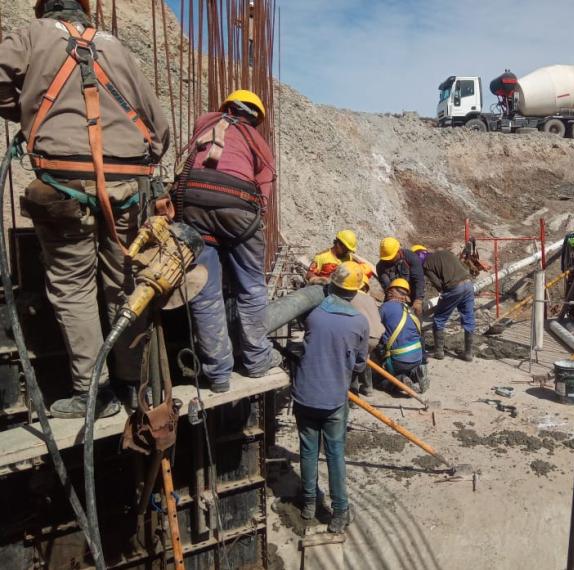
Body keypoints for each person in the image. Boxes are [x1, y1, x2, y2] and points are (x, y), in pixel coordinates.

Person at [0, 0, 169, 418]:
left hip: (63, 182)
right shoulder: (117, 47)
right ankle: (133, 384)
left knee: (73, 288)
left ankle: (93, 392)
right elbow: (160, 128)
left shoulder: (31, 35)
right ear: (85, 12)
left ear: (45, 10)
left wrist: (29, 112)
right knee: (126, 284)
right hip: (128, 188)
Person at [177, 89, 279, 393]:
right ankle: (257, 359)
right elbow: (265, 185)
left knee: (205, 291)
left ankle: (218, 374)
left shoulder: (204, 123)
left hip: (191, 204)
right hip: (237, 206)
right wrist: (249, 222)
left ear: (227, 108)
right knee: (251, 286)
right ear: (255, 118)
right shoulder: (256, 140)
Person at [292, 261, 368, 533]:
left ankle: (309, 504)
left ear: (332, 284)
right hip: (333, 399)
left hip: (303, 394)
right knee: (335, 454)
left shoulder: (313, 313)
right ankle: (339, 512)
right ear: (356, 292)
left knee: (308, 450)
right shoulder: (359, 322)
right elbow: (360, 365)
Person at [412, 245, 475, 362]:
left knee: (439, 318)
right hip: (468, 284)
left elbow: (438, 284)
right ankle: (468, 353)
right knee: (468, 317)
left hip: (454, 288)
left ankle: (439, 352)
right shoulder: (445, 252)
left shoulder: (426, 265)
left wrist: (444, 294)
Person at [378, 278, 427, 392]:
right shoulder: (409, 310)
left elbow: (375, 329)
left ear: (390, 292)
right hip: (418, 356)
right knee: (407, 365)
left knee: (381, 382)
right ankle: (416, 372)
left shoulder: (385, 307)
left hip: (399, 359)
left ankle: (401, 379)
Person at [349, 269, 383, 396]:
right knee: (365, 358)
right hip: (376, 335)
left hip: (362, 335)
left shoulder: (350, 298)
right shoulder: (370, 299)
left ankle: (353, 393)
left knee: (352, 361)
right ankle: (368, 388)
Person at [376, 237, 425, 316]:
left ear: (398, 251)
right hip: (394, 295)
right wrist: (398, 297)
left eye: (391, 257)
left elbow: (419, 280)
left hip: (412, 292)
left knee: (415, 315)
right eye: (387, 259)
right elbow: (387, 287)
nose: (389, 261)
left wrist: (418, 300)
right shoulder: (380, 267)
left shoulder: (411, 258)